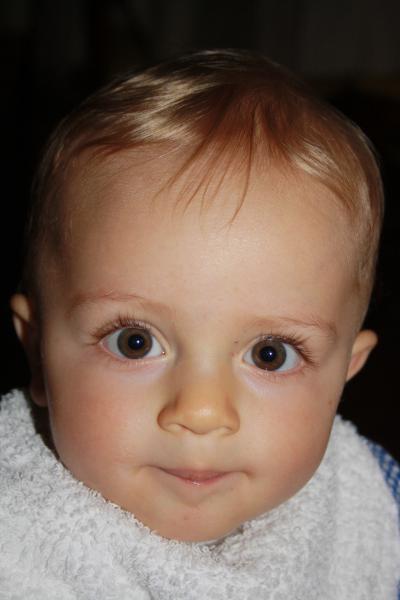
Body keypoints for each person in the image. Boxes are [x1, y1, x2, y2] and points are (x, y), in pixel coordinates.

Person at [0, 49, 399, 599]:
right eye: (135, 342)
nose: (201, 412)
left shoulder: (371, 507)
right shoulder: (17, 541)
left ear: (344, 373)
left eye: (270, 354)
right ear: (38, 349)